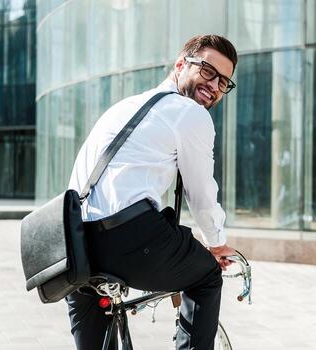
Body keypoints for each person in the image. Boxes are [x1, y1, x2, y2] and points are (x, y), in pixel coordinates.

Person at [65, 35, 238, 350]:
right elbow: (201, 194)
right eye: (209, 72)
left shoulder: (123, 107)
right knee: (206, 276)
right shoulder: (191, 113)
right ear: (180, 64)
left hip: (74, 245)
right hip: (130, 239)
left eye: (224, 82)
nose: (215, 86)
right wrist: (217, 244)